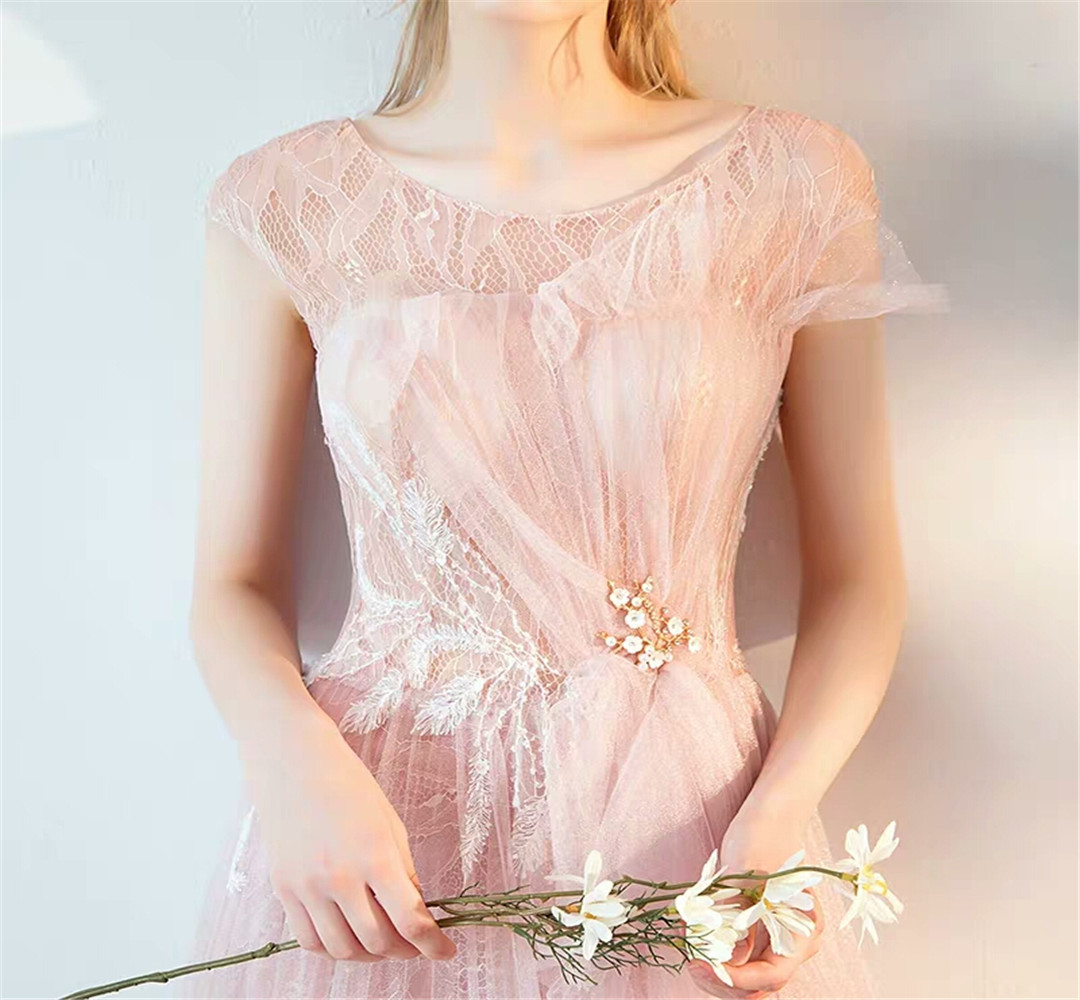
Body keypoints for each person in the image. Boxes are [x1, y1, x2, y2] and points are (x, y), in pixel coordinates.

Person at [186, 1, 946, 997]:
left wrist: (779, 812)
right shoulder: (289, 200)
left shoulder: (788, 181)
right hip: (372, 830)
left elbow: (858, 575)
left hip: (689, 829)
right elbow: (232, 582)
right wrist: (291, 765)